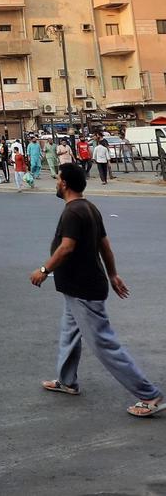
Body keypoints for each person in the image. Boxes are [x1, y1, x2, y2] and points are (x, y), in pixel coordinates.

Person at [29, 164, 164, 419]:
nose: (56, 182)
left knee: (103, 342)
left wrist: (44, 270)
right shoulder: (89, 208)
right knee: (69, 333)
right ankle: (67, 381)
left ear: (65, 183)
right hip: (78, 287)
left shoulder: (73, 212)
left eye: (58, 178)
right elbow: (105, 245)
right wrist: (112, 274)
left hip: (84, 288)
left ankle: (149, 395)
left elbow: (67, 247)